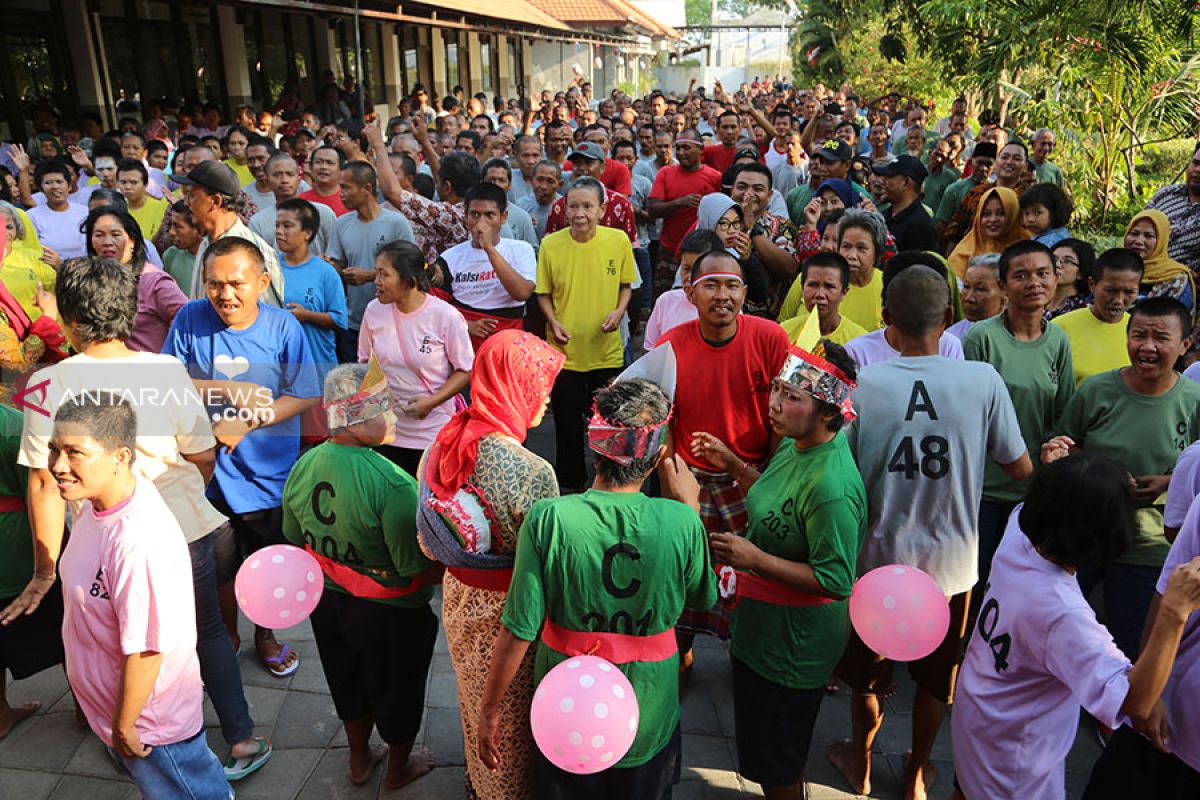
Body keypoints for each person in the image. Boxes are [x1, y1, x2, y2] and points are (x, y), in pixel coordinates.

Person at [3, 255, 272, 779]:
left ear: (71, 318)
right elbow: (201, 455)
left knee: (113, 642)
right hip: (184, 529)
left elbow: (43, 482)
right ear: (128, 311)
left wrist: (44, 568)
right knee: (206, 632)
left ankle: (121, 731)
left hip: (99, 543)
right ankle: (239, 737)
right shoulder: (166, 371)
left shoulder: (45, 386)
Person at [828, 265, 1031, 800]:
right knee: (938, 681)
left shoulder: (862, 386)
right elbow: (1018, 468)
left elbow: (838, 474)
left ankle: (863, 764)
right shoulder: (982, 379)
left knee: (867, 678)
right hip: (953, 565)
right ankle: (917, 773)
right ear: (948, 317)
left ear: (885, 318)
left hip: (876, 562)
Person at [477, 378, 718, 799]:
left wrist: (489, 711)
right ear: (660, 455)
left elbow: (518, 628)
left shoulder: (550, 518)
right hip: (649, 708)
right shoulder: (681, 522)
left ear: (594, 447)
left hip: (563, 707)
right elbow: (703, 598)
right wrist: (692, 510)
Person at [951, 452, 1200, 800]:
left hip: (979, 718)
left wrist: (1065, 475)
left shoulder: (1017, 531)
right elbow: (1137, 702)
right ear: (1107, 539)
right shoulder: (1063, 615)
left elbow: (1052, 502)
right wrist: (1174, 611)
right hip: (1015, 767)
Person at [699, 343, 867, 799]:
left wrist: (755, 560)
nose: (775, 404)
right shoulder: (796, 444)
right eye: (777, 389)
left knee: (779, 767)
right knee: (765, 752)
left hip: (792, 651)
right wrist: (735, 466)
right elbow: (777, 496)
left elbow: (834, 579)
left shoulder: (831, 486)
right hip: (760, 630)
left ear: (830, 413)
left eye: (793, 396)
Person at [51, 393, 231, 799]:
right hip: (119, 713)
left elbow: (148, 650)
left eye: (75, 452)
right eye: (55, 450)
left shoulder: (137, 540)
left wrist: (125, 727)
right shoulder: (93, 506)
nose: (59, 466)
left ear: (120, 456)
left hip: (151, 727)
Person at [163, 236, 322, 678]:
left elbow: (307, 393)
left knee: (268, 562)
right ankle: (226, 634)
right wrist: (227, 391)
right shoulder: (189, 318)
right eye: (214, 284)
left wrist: (248, 422)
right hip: (206, 472)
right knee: (218, 567)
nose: (225, 295)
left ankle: (266, 635)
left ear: (261, 281)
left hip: (269, 473)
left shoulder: (283, 328)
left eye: (236, 284)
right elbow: (168, 381)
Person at [416, 330, 564, 799]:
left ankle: (480, 783)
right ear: (513, 385)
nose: (545, 399)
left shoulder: (443, 443)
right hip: (511, 616)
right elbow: (546, 565)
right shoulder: (533, 472)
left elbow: (427, 542)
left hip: (459, 601)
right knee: (508, 712)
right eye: (538, 386)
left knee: (474, 698)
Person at [281, 363, 439, 790]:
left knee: (344, 675)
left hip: (327, 603)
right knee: (398, 687)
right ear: (355, 416)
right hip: (390, 612)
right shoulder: (393, 485)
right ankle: (398, 767)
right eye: (383, 407)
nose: (391, 416)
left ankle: (358, 758)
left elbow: (295, 537)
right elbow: (416, 571)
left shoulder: (304, 465)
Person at [1042, 296, 1200, 659]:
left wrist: (1168, 484)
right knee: (1063, 633)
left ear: (1185, 345)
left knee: (1129, 646)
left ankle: (1116, 714)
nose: (1147, 347)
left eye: (1161, 338)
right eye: (1138, 335)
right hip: (1085, 534)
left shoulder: (1193, 401)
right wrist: (1102, 473)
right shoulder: (1097, 390)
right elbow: (1064, 446)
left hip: (1149, 546)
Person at [660, 249, 791, 650]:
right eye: (711, 285)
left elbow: (782, 416)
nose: (722, 295)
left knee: (753, 581)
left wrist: (770, 483)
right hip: (691, 482)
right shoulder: (672, 345)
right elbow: (664, 426)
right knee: (684, 581)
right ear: (690, 292)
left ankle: (749, 653)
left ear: (745, 292)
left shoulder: (770, 337)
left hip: (751, 475)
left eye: (732, 285)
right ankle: (680, 659)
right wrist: (673, 496)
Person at [963, 240, 1075, 591]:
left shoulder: (1058, 341)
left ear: (1056, 279)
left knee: (1023, 583)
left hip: (1035, 488)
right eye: (1021, 275)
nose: (1034, 283)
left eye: (1043, 274)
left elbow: (1062, 415)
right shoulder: (982, 338)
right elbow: (969, 416)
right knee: (979, 583)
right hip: (984, 488)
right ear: (1003, 285)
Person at [536, 177, 636, 491]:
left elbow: (625, 286)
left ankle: (610, 482)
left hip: (606, 350)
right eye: (573, 206)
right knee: (566, 425)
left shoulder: (617, 240)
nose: (580, 213)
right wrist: (553, 322)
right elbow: (543, 293)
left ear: (602, 209)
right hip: (565, 354)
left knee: (609, 422)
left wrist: (619, 312)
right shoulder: (551, 244)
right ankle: (570, 484)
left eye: (587, 206)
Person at [358, 240, 474, 475]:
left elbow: (466, 370)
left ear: (409, 281)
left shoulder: (445, 316)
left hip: (433, 433)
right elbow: (364, 364)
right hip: (388, 432)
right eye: (376, 273)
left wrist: (430, 403)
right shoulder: (373, 311)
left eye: (384, 275)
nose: (376, 281)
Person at [0, 403, 64, 740]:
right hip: (15, 546)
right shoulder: (13, 424)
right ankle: (87, 710)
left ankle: (0, 714)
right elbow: (39, 490)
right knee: (68, 627)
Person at [328, 160, 415, 364]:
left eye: (346, 188)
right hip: (353, 322)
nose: (341, 193)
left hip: (392, 320)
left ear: (367, 188)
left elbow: (410, 269)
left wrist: (368, 276)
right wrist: (332, 267)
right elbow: (337, 262)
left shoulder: (396, 223)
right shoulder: (341, 224)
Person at [435, 182, 536, 351]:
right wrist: (467, 325)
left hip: (509, 349)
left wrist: (489, 249)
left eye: (490, 215)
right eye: (475, 214)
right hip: (465, 349)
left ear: (503, 217)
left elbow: (521, 293)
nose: (481, 223)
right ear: (465, 216)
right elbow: (433, 309)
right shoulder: (450, 258)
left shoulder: (521, 250)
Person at [175, 160, 282, 304]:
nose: (187, 203)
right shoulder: (206, 242)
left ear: (215, 201)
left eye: (192, 196)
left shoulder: (253, 250)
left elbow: (270, 314)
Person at [84, 206, 187, 353]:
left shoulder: (153, 281)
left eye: (115, 234)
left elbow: (189, 321)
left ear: (132, 240)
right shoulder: (90, 281)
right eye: (99, 235)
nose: (107, 242)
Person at [274, 197, 348, 387]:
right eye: (277, 225)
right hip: (279, 369)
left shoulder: (326, 273)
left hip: (318, 368)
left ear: (307, 233)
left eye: (287, 226)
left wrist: (307, 315)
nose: (279, 232)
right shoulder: (269, 268)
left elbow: (340, 321)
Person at [782, 209, 887, 331]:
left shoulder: (887, 286)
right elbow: (784, 324)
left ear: (877, 252)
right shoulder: (809, 277)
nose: (852, 255)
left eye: (861, 248)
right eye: (846, 246)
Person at [647, 128, 722, 297]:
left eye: (686, 148)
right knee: (665, 297)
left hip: (702, 252)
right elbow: (653, 210)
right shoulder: (665, 173)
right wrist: (680, 202)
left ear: (701, 149)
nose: (681, 153)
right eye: (678, 148)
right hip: (669, 250)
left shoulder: (715, 177)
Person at [1052, 248, 1142, 386]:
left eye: (1129, 292)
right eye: (1111, 290)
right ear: (1092, 285)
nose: (1118, 300)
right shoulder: (1059, 329)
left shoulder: (1141, 333)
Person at [643, 229, 721, 346]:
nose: (690, 277)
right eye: (686, 268)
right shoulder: (665, 302)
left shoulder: (725, 310)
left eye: (698, 270)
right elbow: (650, 352)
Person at [249, 153, 337, 254]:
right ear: (268, 181)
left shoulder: (323, 213)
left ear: (299, 180)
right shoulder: (258, 222)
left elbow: (335, 253)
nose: (284, 180)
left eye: (289, 174)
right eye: (277, 175)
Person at [779, 252, 868, 346]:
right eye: (813, 285)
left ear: (844, 293)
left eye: (829, 286)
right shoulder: (784, 333)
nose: (820, 294)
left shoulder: (860, 342)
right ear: (802, 288)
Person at [947, 187, 1029, 279]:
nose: (993, 219)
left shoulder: (1031, 250)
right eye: (986, 214)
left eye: (1001, 213)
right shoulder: (961, 255)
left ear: (1013, 214)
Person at [1124, 209, 1193, 314]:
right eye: (1134, 233)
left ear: (1162, 240)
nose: (1138, 241)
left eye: (1149, 236)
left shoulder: (1175, 277)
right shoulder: (1114, 267)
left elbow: (1178, 321)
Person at [1146, 141, 1200, 272]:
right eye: (1195, 163)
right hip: (1141, 271)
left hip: (1183, 284)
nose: (1198, 170)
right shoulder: (1165, 195)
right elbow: (1139, 228)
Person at [27, 160, 88, 263]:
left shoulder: (85, 212)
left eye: (59, 182)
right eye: (48, 183)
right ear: (41, 189)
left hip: (84, 272)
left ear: (69, 186)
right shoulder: (32, 216)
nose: (55, 186)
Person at [873, 155, 936, 252]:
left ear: (906, 182)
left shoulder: (920, 226)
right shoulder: (885, 214)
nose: (882, 181)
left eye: (889, 176)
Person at [934, 142, 995, 238]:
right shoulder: (954, 189)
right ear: (971, 163)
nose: (983, 168)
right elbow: (942, 224)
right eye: (979, 163)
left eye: (989, 165)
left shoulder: (995, 189)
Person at [947, 253, 1005, 340]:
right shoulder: (953, 338)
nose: (968, 298)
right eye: (966, 287)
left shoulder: (1024, 334)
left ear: (1005, 291)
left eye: (980, 289)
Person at [116, 158, 168, 242]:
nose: (128, 187)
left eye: (133, 182)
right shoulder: (117, 210)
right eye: (123, 182)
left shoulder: (159, 208)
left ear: (146, 184)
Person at [1047, 238, 1096, 319]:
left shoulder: (1082, 310)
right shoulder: (1038, 298)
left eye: (1067, 261)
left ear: (1081, 273)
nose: (1057, 265)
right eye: (1053, 259)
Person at [162, 201, 203, 291]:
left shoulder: (213, 260)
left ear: (199, 230)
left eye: (178, 226)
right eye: (171, 225)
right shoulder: (170, 255)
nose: (171, 232)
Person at [298, 145, 349, 217]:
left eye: (330, 163)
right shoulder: (301, 201)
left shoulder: (349, 201)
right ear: (310, 167)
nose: (323, 167)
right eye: (318, 162)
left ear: (341, 169)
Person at [1020, 182, 1073, 248]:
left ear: (1054, 212)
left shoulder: (1051, 243)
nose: (1030, 219)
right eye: (1026, 213)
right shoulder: (1043, 235)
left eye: (1037, 213)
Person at [922, 138, 960, 216]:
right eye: (936, 154)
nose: (939, 159)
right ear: (929, 153)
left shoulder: (950, 178)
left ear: (946, 159)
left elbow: (950, 204)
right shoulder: (919, 171)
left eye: (943, 157)